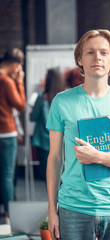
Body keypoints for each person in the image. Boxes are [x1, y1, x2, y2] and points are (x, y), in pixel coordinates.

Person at [46, 29, 110, 240]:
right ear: (80, 58)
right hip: (74, 207)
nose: (97, 58)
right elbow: (55, 158)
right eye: (90, 52)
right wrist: (51, 209)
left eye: (104, 52)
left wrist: (98, 157)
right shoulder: (61, 102)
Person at [0, 48, 26, 222]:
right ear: (16, 65)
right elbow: (21, 105)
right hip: (7, 133)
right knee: (7, 175)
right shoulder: (6, 81)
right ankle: (10, 214)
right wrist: (20, 82)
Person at [30, 68, 65, 181]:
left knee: (47, 176)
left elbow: (33, 117)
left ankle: (52, 198)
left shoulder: (42, 97)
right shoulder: (65, 98)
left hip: (43, 141)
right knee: (61, 175)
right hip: (61, 141)